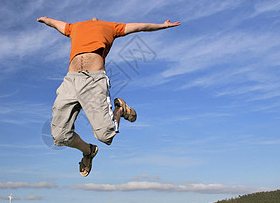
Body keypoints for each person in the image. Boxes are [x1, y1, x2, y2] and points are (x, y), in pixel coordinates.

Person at [37, 16, 181, 177]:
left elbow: (140, 26)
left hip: (93, 80)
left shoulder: (110, 27)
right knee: (59, 137)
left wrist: (162, 25)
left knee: (105, 136)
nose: (93, 18)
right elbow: (57, 24)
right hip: (70, 81)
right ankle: (88, 151)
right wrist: (46, 19)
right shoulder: (75, 27)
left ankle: (120, 109)